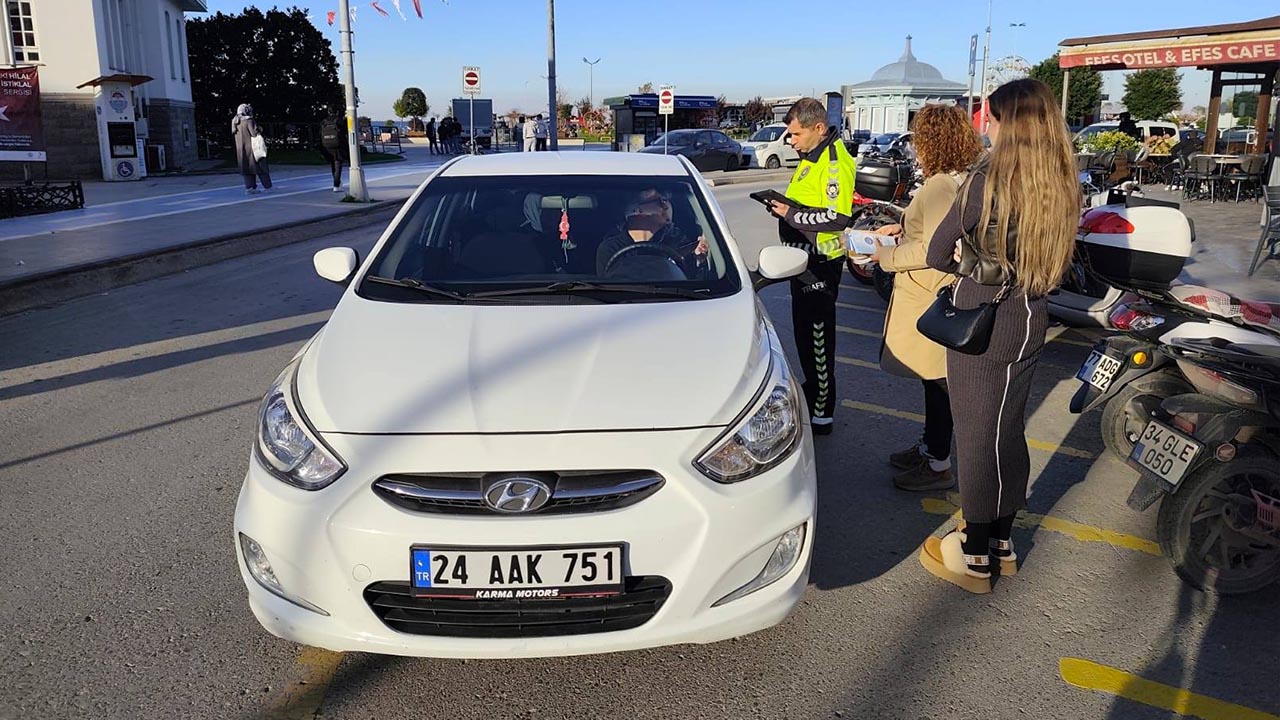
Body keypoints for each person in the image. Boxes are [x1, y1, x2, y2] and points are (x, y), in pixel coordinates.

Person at [921, 78, 1077, 593]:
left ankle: (973, 551)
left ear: (1007, 123)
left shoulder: (986, 180)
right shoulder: (1061, 180)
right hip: (1032, 315)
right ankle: (1002, 542)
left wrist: (971, 263)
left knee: (974, 435)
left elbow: (937, 253)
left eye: (990, 117)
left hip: (983, 316)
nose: (984, 126)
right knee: (1007, 429)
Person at [868, 104, 984, 491]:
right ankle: (931, 449)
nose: (915, 146)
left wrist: (885, 256)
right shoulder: (957, 178)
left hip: (927, 292)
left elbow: (932, 248)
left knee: (936, 381)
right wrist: (901, 227)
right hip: (937, 289)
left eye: (919, 138)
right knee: (934, 380)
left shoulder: (940, 185)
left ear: (933, 141)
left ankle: (937, 462)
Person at [765, 97, 858, 435]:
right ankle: (813, 393)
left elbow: (837, 217)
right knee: (804, 336)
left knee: (817, 339)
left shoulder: (833, 161)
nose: (791, 141)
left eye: (796, 134)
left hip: (820, 263)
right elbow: (807, 203)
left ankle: (822, 411)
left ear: (818, 128)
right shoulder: (811, 156)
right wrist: (783, 208)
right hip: (801, 259)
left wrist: (790, 214)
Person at [596, 188, 707, 275]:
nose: (666, 207)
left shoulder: (679, 240)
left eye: (667, 201)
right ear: (637, 210)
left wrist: (697, 258)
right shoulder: (611, 248)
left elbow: (690, 280)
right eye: (661, 202)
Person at [232, 103, 272, 194]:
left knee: (247, 169)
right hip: (253, 148)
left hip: (241, 150)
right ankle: (267, 186)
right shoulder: (249, 120)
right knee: (261, 167)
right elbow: (254, 133)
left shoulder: (235, 122)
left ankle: (250, 188)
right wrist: (260, 128)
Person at [318, 111, 348, 193]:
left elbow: (320, 134)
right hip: (338, 146)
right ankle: (336, 185)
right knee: (338, 164)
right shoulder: (338, 121)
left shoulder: (324, 122)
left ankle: (336, 182)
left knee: (333, 164)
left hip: (327, 145)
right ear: (337, 112)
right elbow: (345, 132)